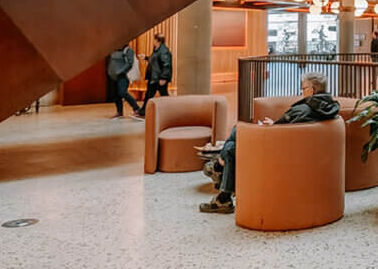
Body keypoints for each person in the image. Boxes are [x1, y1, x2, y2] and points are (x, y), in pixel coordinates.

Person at [201, 71, 340, 214]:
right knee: (231, 147)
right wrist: (274, 125)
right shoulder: (326, 108)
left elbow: (284, 133)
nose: (301, 92)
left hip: (277, 152)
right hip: (293, 150)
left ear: (311, 90)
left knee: (236, 135)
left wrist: (269, 128)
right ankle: (223, 193)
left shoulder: (303, 110)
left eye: (303, 88)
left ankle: (219, 167)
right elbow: (290, 130)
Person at [105, 45, 143, 119]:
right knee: (115, 94)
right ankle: (119, 112)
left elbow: (130, 63)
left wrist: (121, 71)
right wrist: (109, 71)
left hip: (123, 76)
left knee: (122, 92)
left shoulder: (128, 50)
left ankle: (136, 108)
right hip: (113, 76)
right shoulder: (113, 49)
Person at [141, 34, 171, 109]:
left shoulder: (164, 51)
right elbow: (154, 61)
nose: (153, 41)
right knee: (148, 95)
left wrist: (163, 78)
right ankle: (143, 111)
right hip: (154, 77)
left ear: (158, 40)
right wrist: (146, 57)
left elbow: (166, 65)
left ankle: (170, 110)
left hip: (159, 78)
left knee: (164, 96)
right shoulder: (156, 50)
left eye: (154, 39)